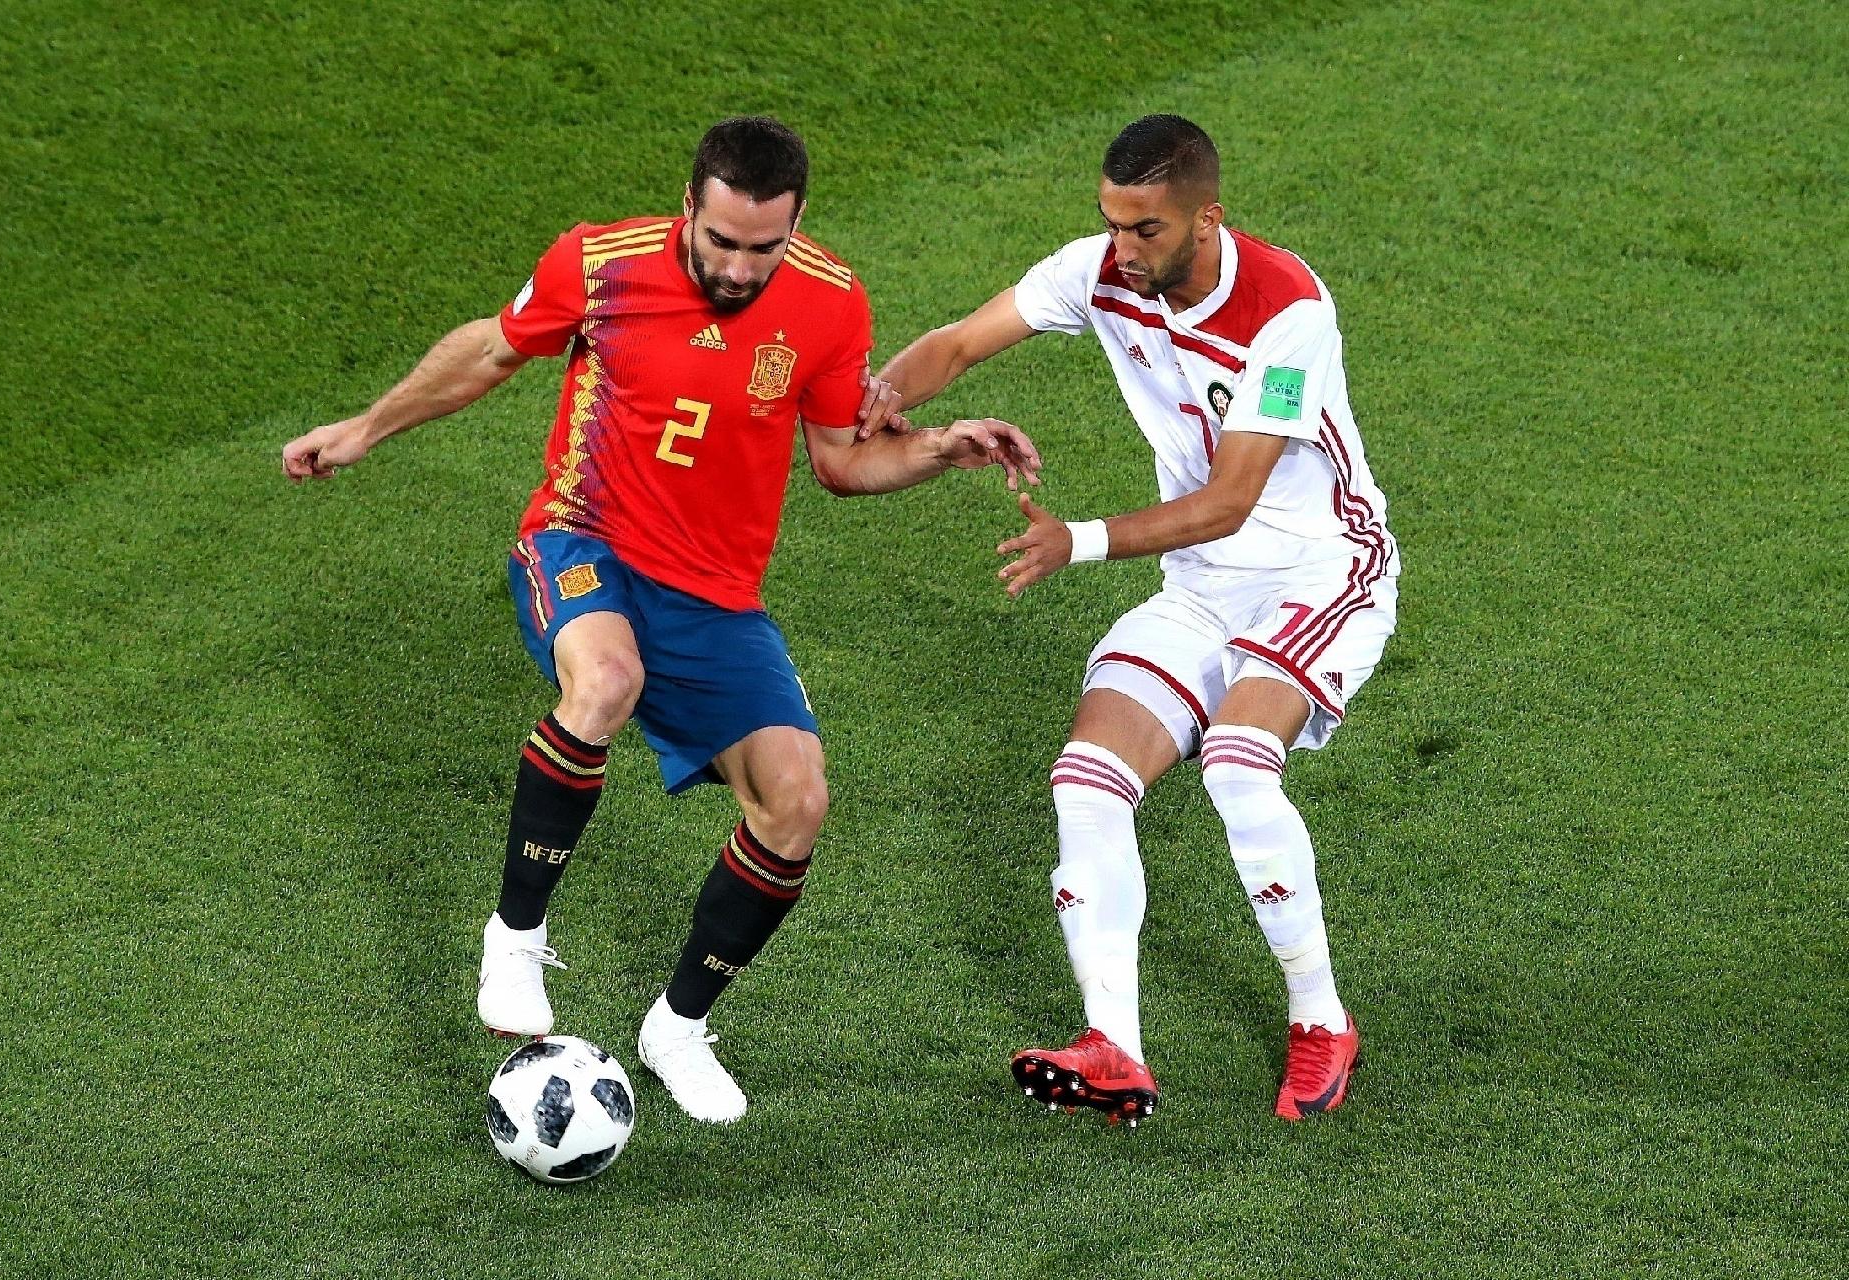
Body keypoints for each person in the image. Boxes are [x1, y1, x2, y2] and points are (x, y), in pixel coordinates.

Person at [281, 116, 1039, 1124]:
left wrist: (940, 447)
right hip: (581, 539)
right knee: (606, 680)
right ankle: (515, 935)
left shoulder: (830, 299)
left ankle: (677, 1026)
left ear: (795, 225)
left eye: (763, 248)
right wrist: (366, 427)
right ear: (690, 206)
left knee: (797, 801)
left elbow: (841, 461)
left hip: (715, 592)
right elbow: (492, 351)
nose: (738, 268)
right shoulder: (601, 264)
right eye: (721, 241)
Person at [873, 114, 1397, 1123]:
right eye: (1112, 223)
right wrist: (878, 395)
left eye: (1145, 229)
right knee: (1086, 779)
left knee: (1239, 762)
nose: (1122, 248)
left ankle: (1322, 1021)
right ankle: (1113, 1043)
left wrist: (1076, 540)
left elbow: (1229, 501)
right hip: (1202, 586)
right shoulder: (1101, 270)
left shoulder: (1288, 313)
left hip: (1321, 568)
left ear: (1207, 220)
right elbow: (962, 341)